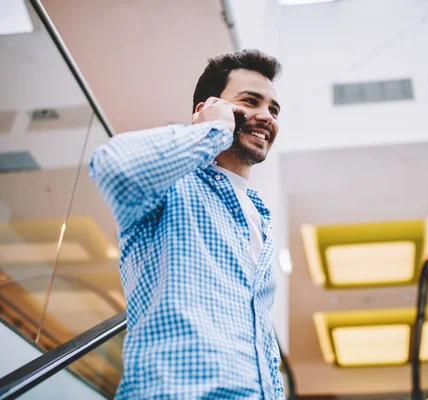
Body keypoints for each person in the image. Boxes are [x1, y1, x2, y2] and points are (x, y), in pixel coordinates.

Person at [90, 49, 284, 399]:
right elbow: (113, 165)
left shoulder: (261, 218)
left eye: (273, 109)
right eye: (250, 101)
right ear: (209, 107)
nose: (265, 116)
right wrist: (214, 129)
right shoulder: (172, 184)